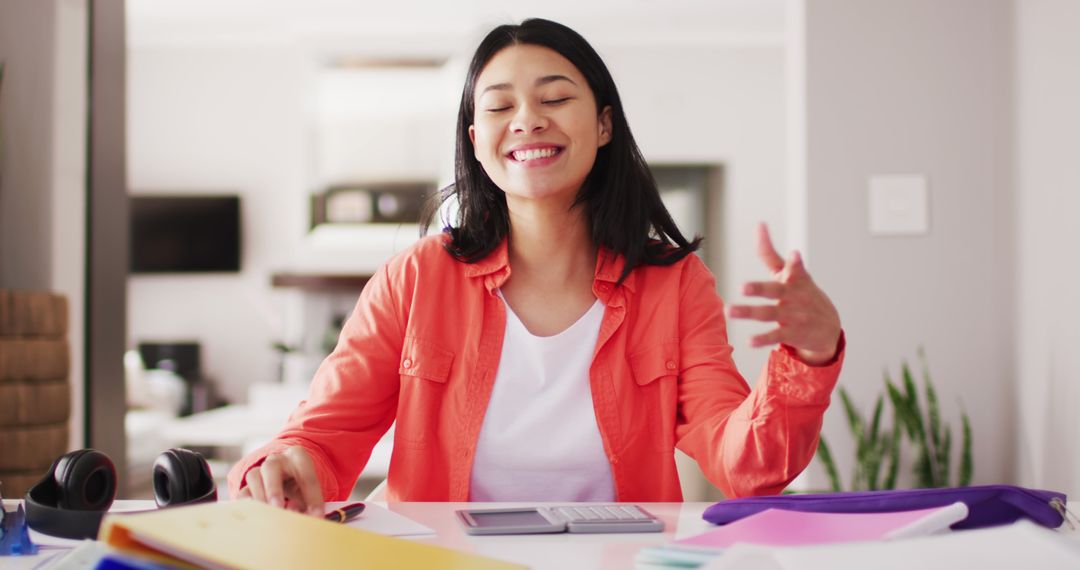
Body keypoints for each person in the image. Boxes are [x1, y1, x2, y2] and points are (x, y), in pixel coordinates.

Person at [227, 18, 844, 516]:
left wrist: (807, 360)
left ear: (603, 125)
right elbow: (322, 435)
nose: (527, 118)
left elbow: (746, 466)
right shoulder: (415, 278)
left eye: (554, 97)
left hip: (618, 559)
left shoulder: (675, 284)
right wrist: (283, 464)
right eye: (499, 107)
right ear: (475, 140)